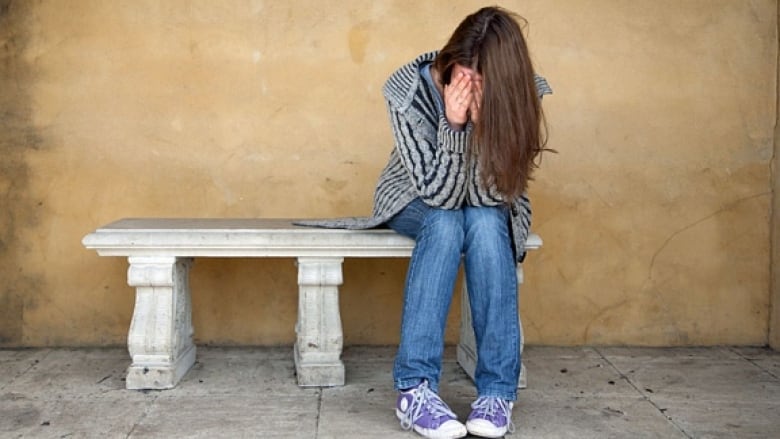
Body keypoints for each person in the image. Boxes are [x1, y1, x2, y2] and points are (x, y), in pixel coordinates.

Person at [298, 6, 551, 439]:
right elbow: (438, 194)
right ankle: (415, 389)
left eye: (481, 83)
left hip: (488, 205)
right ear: (448, 62)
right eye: (461, 76)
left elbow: (496, 193)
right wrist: (453, 125)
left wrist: (486, 123)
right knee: (448, 222)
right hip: (413, 198)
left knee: (488, 224)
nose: (467, 88)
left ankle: (497, 392)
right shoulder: (407, 89)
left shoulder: (522, 93)